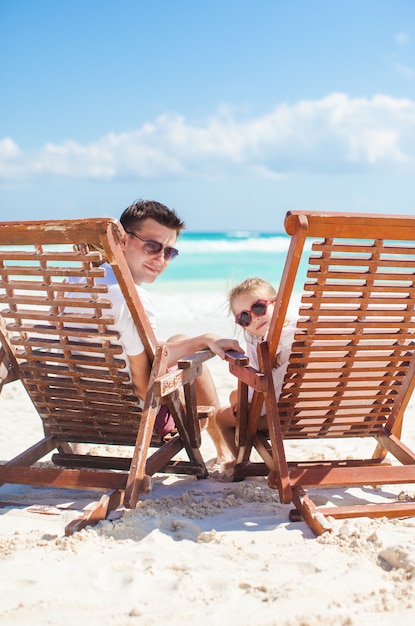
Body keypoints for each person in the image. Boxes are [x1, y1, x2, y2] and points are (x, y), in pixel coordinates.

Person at [79, 199, 243, 460]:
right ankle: (224, 450)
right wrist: (199, 350)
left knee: (181, 341)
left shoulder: (75, 281)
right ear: (122, 240)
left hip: (77, 411)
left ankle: (223, 451)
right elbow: (145, 388)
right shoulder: (131, 298)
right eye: (152, 246)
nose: (161, 259)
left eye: (169, 252)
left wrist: (205, 338)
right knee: (193, 363)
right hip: (132, 419)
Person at [215, 277, 297, 460]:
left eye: (258, 307)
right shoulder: (305, 332)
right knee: (235, 396)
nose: (254, 317)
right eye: (244, 317)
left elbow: (260, 399)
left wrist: (239, 400)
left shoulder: (263, 343)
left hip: (282, 417)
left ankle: (242, 464)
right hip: (323, 411)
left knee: (222, 416)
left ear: (278, 302)